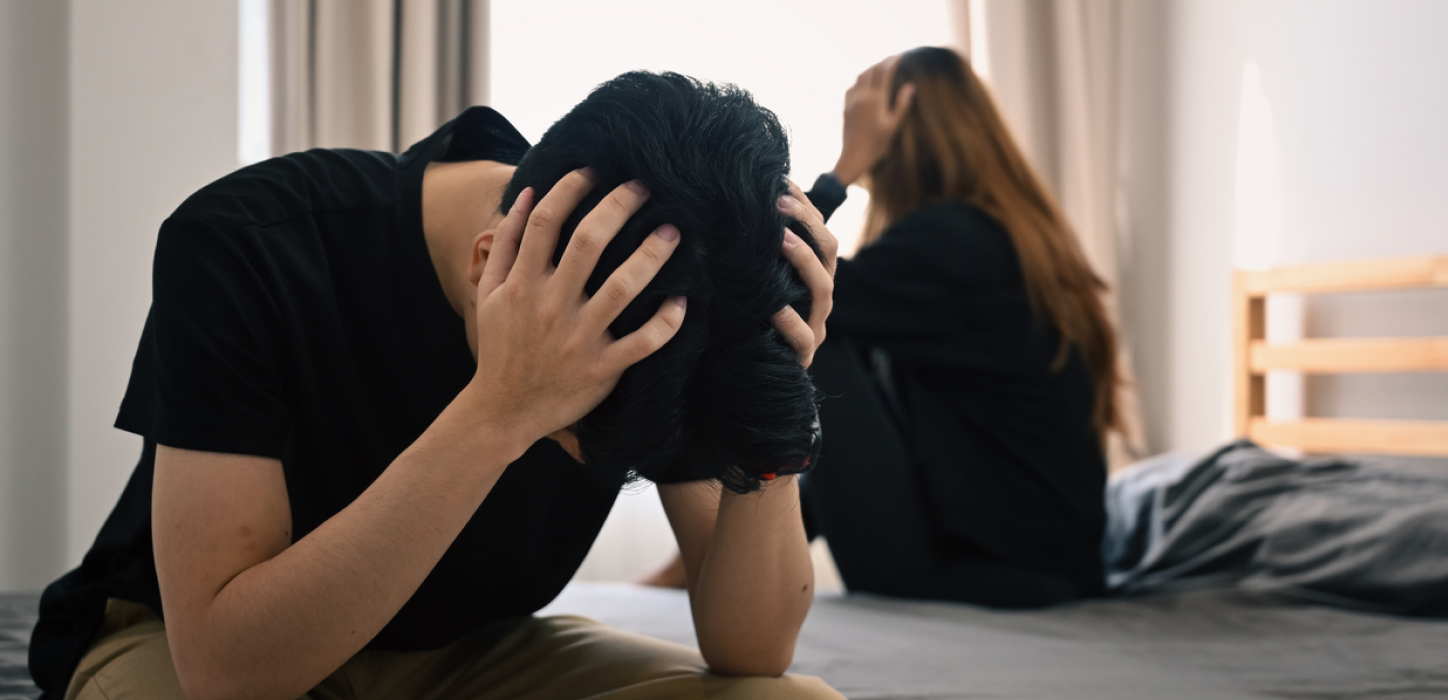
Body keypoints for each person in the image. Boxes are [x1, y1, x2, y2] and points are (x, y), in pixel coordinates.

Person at [29, 71, 844, 700]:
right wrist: (503, 409)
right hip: (197, 644)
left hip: (463, 653)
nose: (565, 453)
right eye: (568, 427)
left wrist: (772, 390)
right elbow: (228, 669)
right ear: (492, 262)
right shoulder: (247, 243)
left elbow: (753, 651)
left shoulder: (667, 286)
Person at [647, 48, 1123, 608]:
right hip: (1038, 571)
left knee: (804, 319)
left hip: (991, 577)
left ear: (905, 121)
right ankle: (703, 563)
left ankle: (700, 563)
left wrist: (844, 169)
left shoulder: (955, 242)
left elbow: (775, 275)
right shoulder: (997, 238)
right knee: (819, 323)